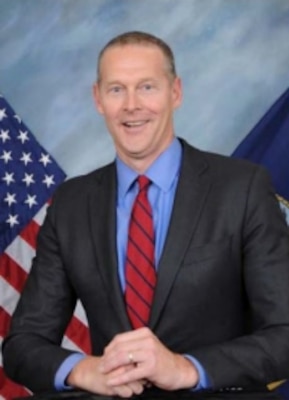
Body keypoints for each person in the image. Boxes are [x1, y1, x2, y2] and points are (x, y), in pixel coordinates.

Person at [3, 31, 289, 398]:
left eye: (147, 87)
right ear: (98, 99)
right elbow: (22, 345)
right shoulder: (72, 204)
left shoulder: (242, 188)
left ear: (176, 92)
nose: (131, 105)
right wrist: (85, 369)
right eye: (117, 89)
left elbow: (284, 333)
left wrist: (187, 368)